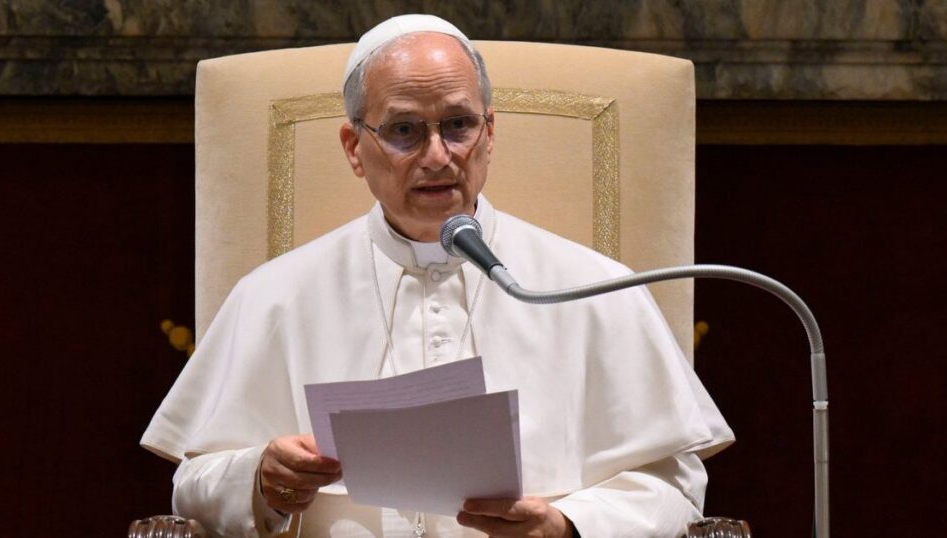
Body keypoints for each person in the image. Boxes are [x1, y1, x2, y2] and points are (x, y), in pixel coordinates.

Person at [141, 14, 733, 538]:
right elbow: (190, 488)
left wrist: (570, 527)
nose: (437, 156)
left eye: (458, 125)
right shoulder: (274, 296)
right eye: (404, 130)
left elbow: (677, 490)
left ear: (490, 132)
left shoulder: (592, 288)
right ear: (353, 147)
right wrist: (260, 481)